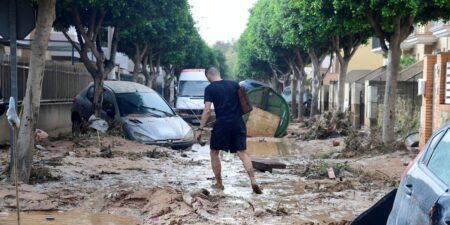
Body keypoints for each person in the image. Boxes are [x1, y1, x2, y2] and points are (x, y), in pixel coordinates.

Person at [195, 66, 262, 194]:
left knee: (214, 152)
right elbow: (244, 103)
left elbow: (207, 111)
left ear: (208, 76)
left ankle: (219, 184)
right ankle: (253, 180)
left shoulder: (210, 88)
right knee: (242, 153)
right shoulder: (234, 84)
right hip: (238, 122)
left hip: (222, 124)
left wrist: (200, 129)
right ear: (219, 73)